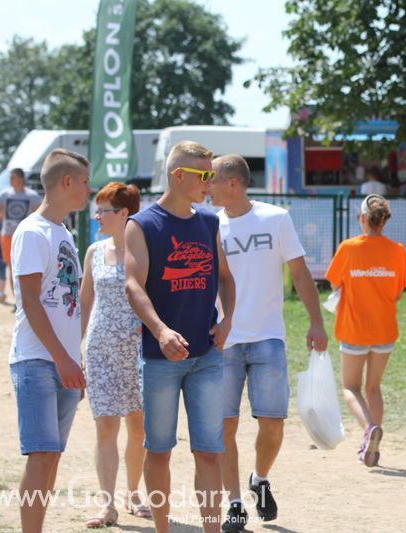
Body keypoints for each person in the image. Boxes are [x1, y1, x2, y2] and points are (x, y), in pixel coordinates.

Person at [208, 154, 327, 532]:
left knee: (273, 424)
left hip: (268, 337)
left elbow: (299, 272)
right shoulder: (209, 225)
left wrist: (316, 322)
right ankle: (236, 504)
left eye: (212, 179)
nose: (206, 185)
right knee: (225, 426)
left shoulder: (276, 218)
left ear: (233, 183)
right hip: (225, 339)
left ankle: (259, 479)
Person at [124, 141, 235, 533]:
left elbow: (224, 277)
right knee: (159, 452)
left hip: (206, 356)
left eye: (213, 175)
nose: (211, 183)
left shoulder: (209, 222)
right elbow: (133, 285)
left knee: (209, 452)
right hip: (160, 361)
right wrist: (160, 329)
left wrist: (228, 320)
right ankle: (162, 529)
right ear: (178, 175)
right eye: (204, 175)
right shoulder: (142, 224)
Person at [8, 149, 91, 532]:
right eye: (85, 183)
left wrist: (75, 359)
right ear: (67, 182)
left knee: (53, 456)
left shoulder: (64, 232)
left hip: (62, 363)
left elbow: (68, 305)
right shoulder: (31, 230)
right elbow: (29, 300)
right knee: (41, 455)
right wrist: (62, 358)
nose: (88, 191)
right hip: (37, 361)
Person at [80, 182, 150, 527]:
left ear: (124, 214)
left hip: (138, 351)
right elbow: (84, 302)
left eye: (103, 211)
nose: (97, 217)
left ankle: (133, 492)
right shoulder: (93, 251)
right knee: (105, 426)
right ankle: (107, 505)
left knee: (139, 427)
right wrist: (73, 349)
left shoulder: (147, 249)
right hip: (100, 350)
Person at [326, 194, 406, 467]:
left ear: (363, 219)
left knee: (350, 387)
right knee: (373, 388)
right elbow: (397, 293)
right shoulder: (397, 250)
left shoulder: (349, 247)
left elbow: (333, 283)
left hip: (354, 328)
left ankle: (369, 429)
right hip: (384, 328)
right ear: (384, 221)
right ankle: (370, 444)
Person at [0, 168, 41, 303]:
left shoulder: (32, 196)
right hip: (8, 236)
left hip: (27, 237)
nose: (10, 180)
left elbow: (41, 216)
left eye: (13, 177)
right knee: (12, 269)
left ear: (21, 178)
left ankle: (29, 299)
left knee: (28, 268)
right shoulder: (5, 194)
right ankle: (17, 301)